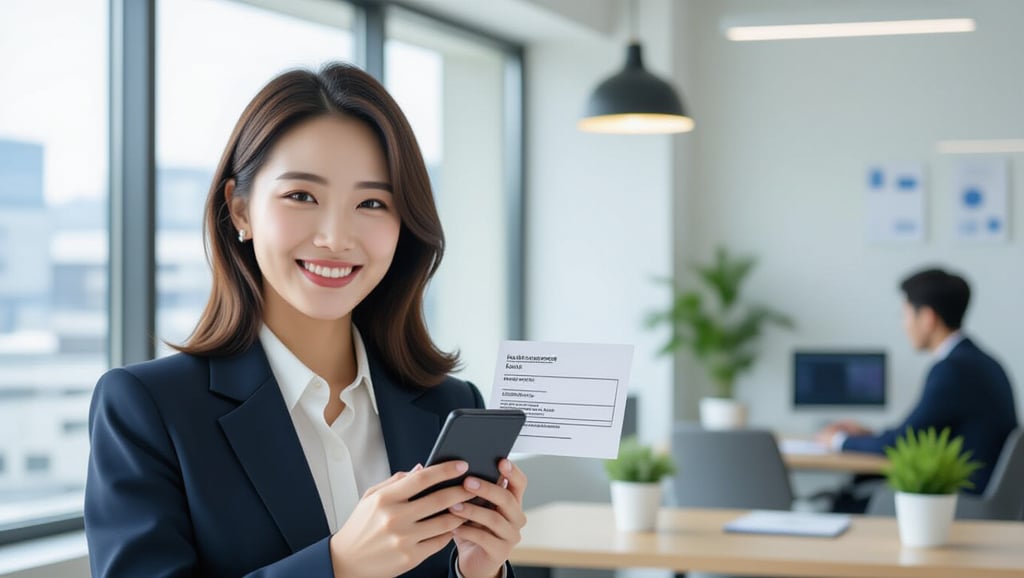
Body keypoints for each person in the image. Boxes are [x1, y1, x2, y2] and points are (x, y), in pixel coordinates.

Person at [85, 63, 526, 578]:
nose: (336, 237)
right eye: (301, 196)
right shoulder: (147, 410)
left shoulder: (451, 405)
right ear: (241, 209)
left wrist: (479, 573)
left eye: (372, 202)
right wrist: (339, 566)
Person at [818, 267, 1018, 511]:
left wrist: (838, 440)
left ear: (927, 318)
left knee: (841, 504)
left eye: (906, 315)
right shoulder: (981, 361)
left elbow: (903, 442)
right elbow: (918, 431)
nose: (904, 325)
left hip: (963, 501)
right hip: (986, 497)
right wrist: (868, 434)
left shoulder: (954, 370)